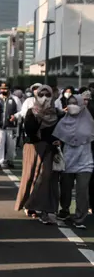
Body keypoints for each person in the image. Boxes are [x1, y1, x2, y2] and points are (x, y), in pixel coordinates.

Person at [15, 85, 62, 224]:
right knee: (30, 177)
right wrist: (38, 116)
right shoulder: (32, 112)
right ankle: (29, 205)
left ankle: (43, 209)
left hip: (49, 149)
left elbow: (60, 130)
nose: (45, 98)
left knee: (47, 177)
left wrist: (57, 141)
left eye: (48, 95)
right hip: (33, 147)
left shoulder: (56, 113)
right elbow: (29, 131)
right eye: (41, 95)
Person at [53, 94, 93, 229]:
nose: (72, 105)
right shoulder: (63, 121)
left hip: (85, 162)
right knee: (65, 188)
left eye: (75, 103)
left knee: (82, 191)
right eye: (70, 103)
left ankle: (80, 217)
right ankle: (64, 210)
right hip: (68, 160)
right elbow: (57, 137)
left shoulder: (90, 121)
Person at [0, 83, 20, 170]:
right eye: (1, 89)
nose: (3, 90)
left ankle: (10, 160)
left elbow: (21, 111)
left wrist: (15, 116)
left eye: (5, 89)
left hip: (11, 127)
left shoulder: (15, 99)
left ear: (9, 89)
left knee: (11, 146)